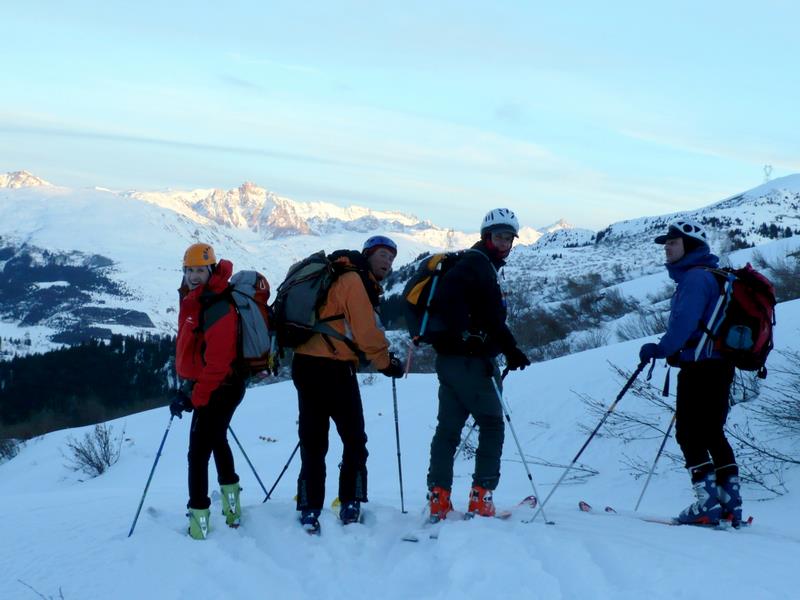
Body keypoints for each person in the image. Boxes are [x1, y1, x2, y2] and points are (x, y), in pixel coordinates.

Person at [293, 235, 404, 533]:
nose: (387, 261)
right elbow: (366, 331)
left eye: (392, 257)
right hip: (334, 367)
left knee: (313, 441)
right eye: (382, 254)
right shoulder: (354, 281)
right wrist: (386, 364)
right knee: (354, 439)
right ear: (367, 255)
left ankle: (308, 507)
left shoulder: (336, 275)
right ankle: (350, 502)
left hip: (305, 364)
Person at [425, 208, 531, 521]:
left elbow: (482, 313)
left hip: (449, 360)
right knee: (492, 424)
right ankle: (481, 497)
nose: (503, 243)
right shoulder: (478, 265)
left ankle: (438, 498)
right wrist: (476, 339)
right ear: (486, 237)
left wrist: (507, 348)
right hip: (473, 362)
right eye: (498, 236)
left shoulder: (476, 263)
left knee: (447, 430)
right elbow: (484, 314)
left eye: (508, 237)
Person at [639, 219, 742, 526]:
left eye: (673, 242)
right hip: (721, 365)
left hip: (700, 368)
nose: (667, 248)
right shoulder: (716, 275)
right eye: (667, 243)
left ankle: (706, 505)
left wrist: (660, 349)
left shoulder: (695, 279)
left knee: (688, 433)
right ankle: (729, 505)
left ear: (691, 247)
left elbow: (683, 325)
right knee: (712, 432)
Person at [171, 243, 247, 539]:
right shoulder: (200, 299)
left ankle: (199, 520)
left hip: (221, 386)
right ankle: (232, 508)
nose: (193, 275)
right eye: (189, 270)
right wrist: (192, 389)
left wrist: (196, 397)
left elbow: (217, 363)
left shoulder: (218, 306)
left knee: (197, 453)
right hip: (214, 385)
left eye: (200, 270)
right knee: (216, 440)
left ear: (211, 270)